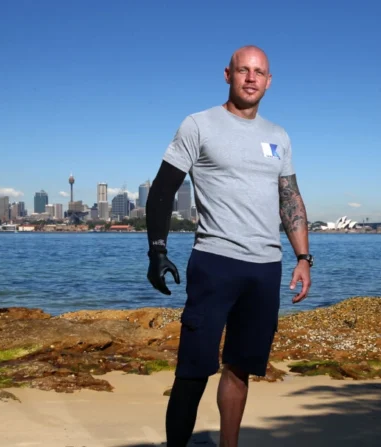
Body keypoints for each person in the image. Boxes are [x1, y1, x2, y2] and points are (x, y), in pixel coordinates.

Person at [145, 45, 313, 447]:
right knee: (193, 368)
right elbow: (162, 190)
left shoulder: (278, 136)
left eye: (259, 72)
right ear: (228, 75)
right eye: (243, 70)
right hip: (215, 263)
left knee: (240, 368)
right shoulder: (198, 125)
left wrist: (303, 257)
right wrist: (157, 249)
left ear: (269, 81)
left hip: (265, 268)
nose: (251, 78)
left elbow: (289, 197)